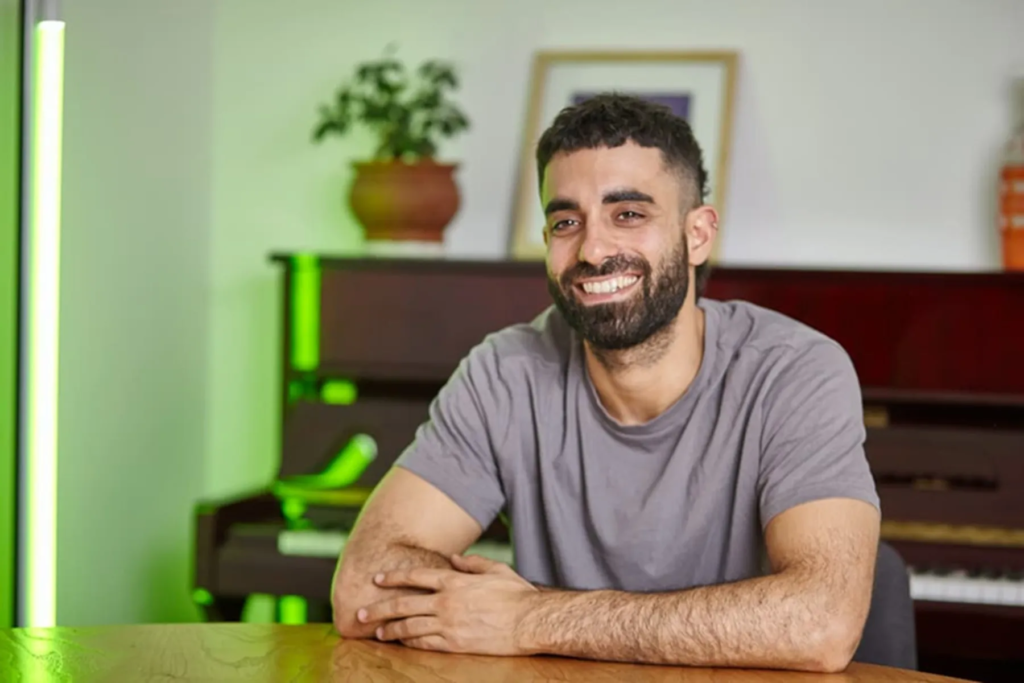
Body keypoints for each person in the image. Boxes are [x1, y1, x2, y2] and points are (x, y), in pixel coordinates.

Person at [329, 93, 881, 673]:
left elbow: (824, 622)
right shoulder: (505, 373)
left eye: (629, 214)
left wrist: (530, 619)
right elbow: (362, 588)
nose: (592, 250)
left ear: (698, 234)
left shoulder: (794, 372)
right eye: (566, 222)